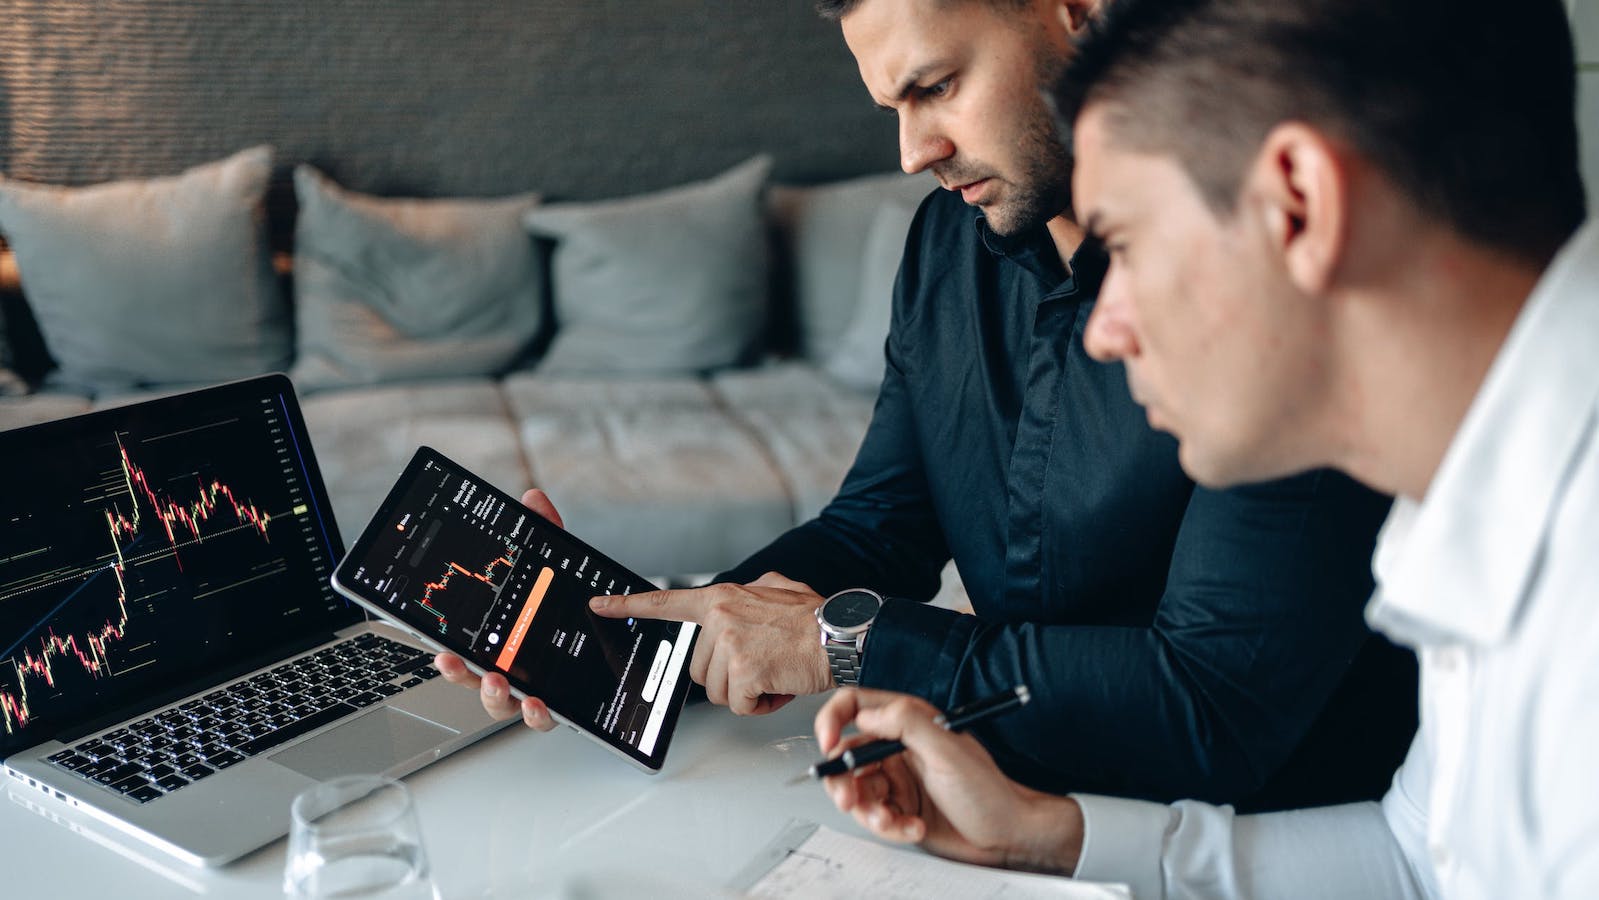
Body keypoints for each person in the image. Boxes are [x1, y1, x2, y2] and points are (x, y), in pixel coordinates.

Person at [437, 0, 1417, 810]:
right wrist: (617, 641)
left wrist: (848, 642)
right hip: (1001, 813)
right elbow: (876, 531)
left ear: (1078, 14)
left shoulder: (1266, 273)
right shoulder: (948, 249)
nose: (913, 151)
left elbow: (1213, 711)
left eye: (936, 87)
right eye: (892, 106)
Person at [815, 0, 1597, 896]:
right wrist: (1042, 837)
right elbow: (1419, 858)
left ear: (1298, 204)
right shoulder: (1471, 499)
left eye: (1125, 242)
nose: (1099, 332)